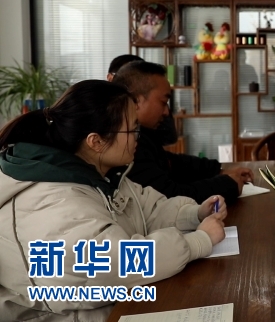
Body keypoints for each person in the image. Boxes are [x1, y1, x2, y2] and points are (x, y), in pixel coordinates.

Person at [0, 80, 227, 321]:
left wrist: (194, 214)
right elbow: (118, 264)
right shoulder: (53, 199)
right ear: (96, 141)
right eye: (132, 130)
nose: (138, 137)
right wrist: (199, 241)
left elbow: (147, 210)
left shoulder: (100, 173)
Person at [113, 61, 253, 204]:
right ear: (136, 101)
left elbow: (173, 164)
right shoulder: (126, 144)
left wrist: (219, 170)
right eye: (163, 102)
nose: (166, 112)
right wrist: (228, 184)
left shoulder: (143, 136)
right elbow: (170, 197)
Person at [107, 53, 178, 146]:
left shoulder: (144, 134)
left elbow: (169, 138)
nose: (166, 112)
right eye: (163, 102)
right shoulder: (114, 137)